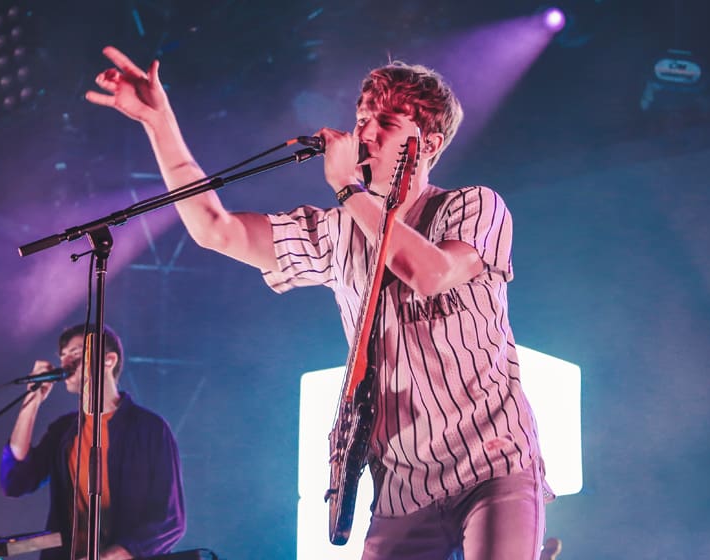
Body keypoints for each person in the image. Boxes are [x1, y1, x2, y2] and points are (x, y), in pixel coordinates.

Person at [85, 46, 549, 559]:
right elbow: (217, 230)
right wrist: (159, 123)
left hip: (491, 463)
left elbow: (430, 273)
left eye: (386, 123)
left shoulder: (473, 206)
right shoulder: (335, 231)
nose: (364, 133)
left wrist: (348, 187)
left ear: (428, 143)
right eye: (362, 118)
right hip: (403, 486)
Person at [1, 323, 186, 560]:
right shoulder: (63, 430)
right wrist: (32, 399)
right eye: (62, 356)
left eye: (76, 353)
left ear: (109, 360)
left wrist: (111, 556)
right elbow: (15, 481)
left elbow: (170, 521)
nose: (65, 363)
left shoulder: (149, 429)